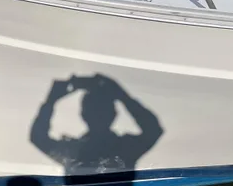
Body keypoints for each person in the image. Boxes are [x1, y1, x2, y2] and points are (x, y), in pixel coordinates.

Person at [30, 74, 162, 174]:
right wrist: (123, 96)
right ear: (114, 114)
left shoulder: (73, 152)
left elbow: (38, 137)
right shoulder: (124, 149)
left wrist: (51, 100)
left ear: (83, 114)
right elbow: (153, 130)